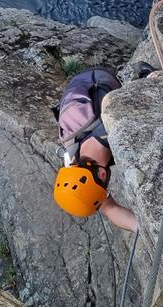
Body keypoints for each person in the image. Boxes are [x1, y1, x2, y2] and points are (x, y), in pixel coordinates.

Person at [52, 68, 138, 231]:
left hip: (101, 80)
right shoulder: (72, 161)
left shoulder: (113, 129)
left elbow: (109, 208)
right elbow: (109, 208)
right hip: (79, 84)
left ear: (103, 174)